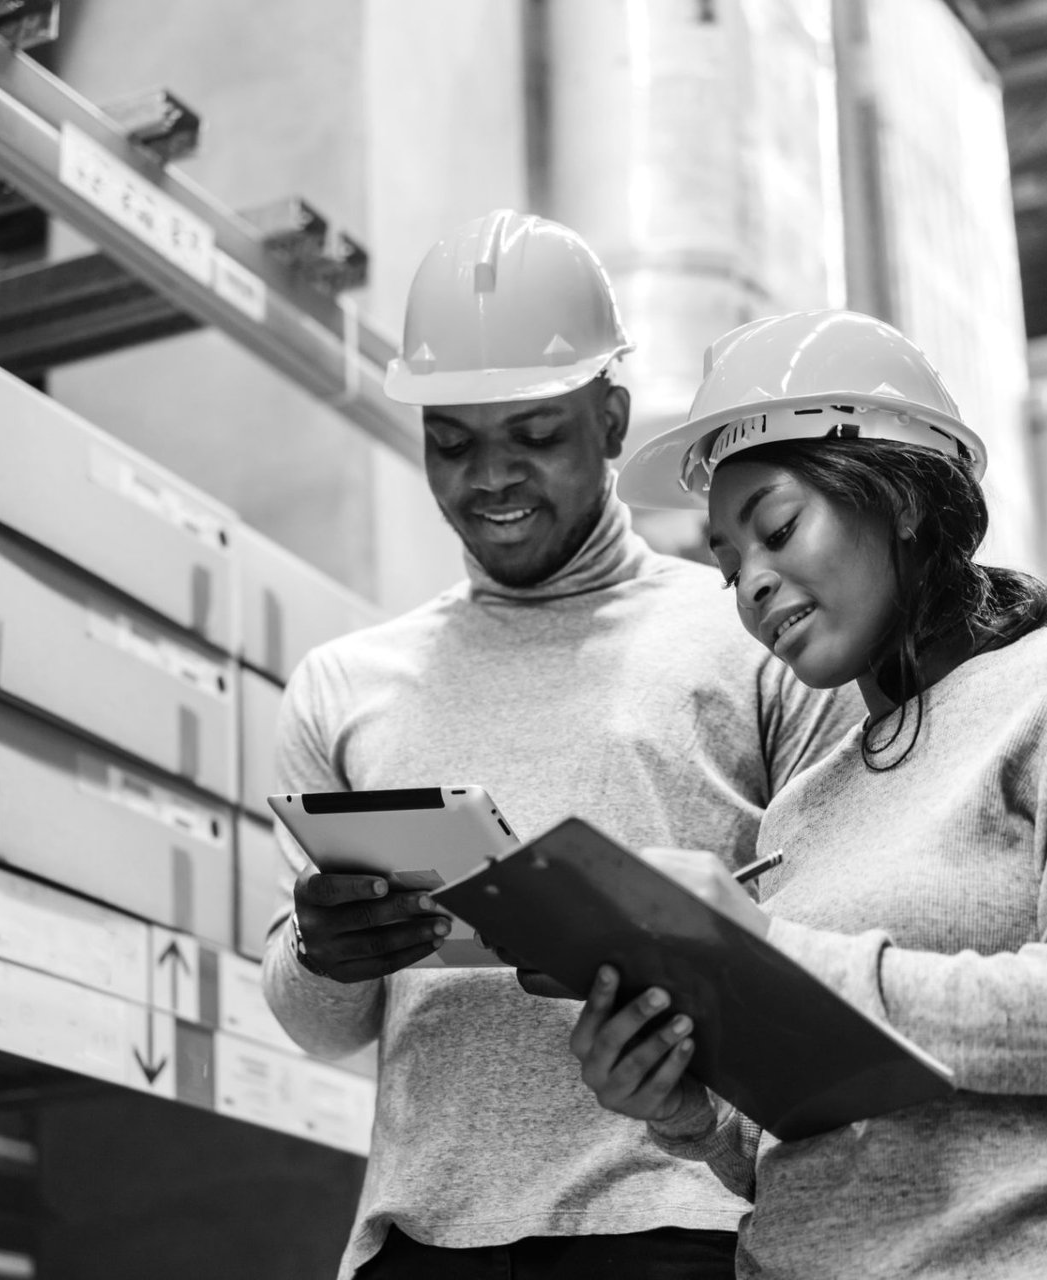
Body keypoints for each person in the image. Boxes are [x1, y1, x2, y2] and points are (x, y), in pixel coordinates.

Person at [260, 211, 860, 1279]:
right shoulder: (348, 687)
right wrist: (321, 950)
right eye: (454, 440)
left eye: (534, 435)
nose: (491, 476)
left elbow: (849, 955)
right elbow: (320, 1024)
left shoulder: (753, 637)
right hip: (422, 1242)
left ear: (613, 417)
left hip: (680, 1225)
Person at [570, 309, 1047, 1279]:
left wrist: (794, 961)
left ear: (901, 497)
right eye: (728, 562)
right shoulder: (801, 806)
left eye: (777, 527)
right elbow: (808, 1137)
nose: (750, 584)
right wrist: (687, 1108)